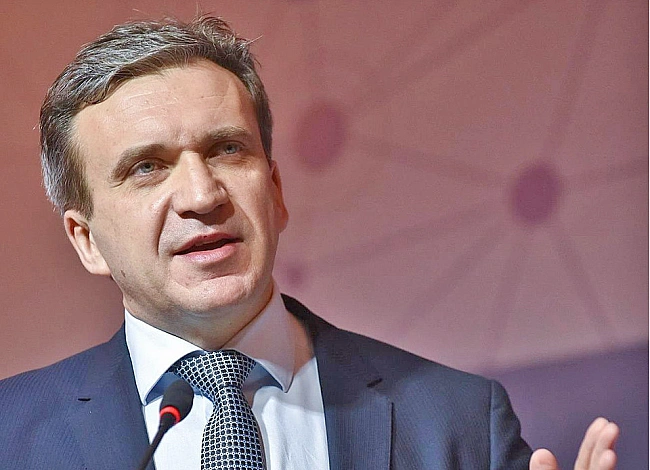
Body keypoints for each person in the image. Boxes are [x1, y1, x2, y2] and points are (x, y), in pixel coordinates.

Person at [0, 16, 618, 470]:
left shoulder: (456, 420)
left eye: (227, 149)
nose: (202, 194)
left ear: (275, 191)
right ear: (86, 240)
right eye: (147, 168)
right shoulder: (11, 434)